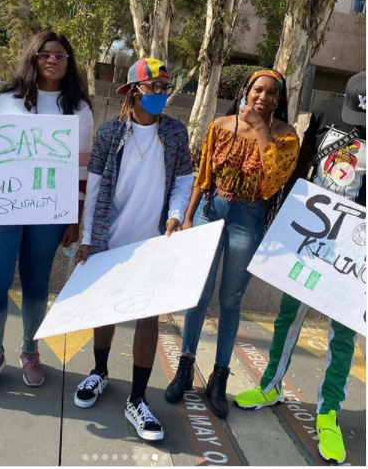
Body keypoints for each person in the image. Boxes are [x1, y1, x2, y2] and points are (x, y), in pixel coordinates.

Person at [234, 71, 366, 464]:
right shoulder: (326, 112)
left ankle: (328, 412)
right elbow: (301, 166)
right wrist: (286, 215)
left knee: (343, 331)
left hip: (354, 248)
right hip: (312, 232)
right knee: (288, 314)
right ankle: (271, 385)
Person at [0, 31, 94, 396]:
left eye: (60, 55)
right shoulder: (5, 100)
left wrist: (75, 218)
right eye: (45, 54)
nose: (52, 60)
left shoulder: (80, 109)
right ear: (32, 58)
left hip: (48, 212)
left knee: (36, 283)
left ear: (69, 62)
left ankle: (30, 351)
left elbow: (80, 171)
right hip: (1, 208)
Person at [165, 69, 300, 419]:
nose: (263, 97)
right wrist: (190, 214)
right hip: (212, 210)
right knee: (199, 292)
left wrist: (259, 129)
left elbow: (273, 182)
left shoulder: (286, 137)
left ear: (278, 99)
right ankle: (185, 365)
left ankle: (220, 376)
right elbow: (204, 173)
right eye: (258, 89)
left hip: (249, 218)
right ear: (246, 89)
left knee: (231, 300)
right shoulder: (220, 125)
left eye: (272, 93)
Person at [73, 58, 193, 441]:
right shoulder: (110, 134)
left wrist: (176, 215)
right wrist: (87, 238)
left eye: (164, 87)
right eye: (153, 87)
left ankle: (138, 398)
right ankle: (99, 371)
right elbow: (93, 192)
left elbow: (183, 183)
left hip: (155, 241)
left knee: (148, 318)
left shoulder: (176, 134)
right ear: (133, 91)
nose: (160, 94)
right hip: (112, 238)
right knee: (105, 309)